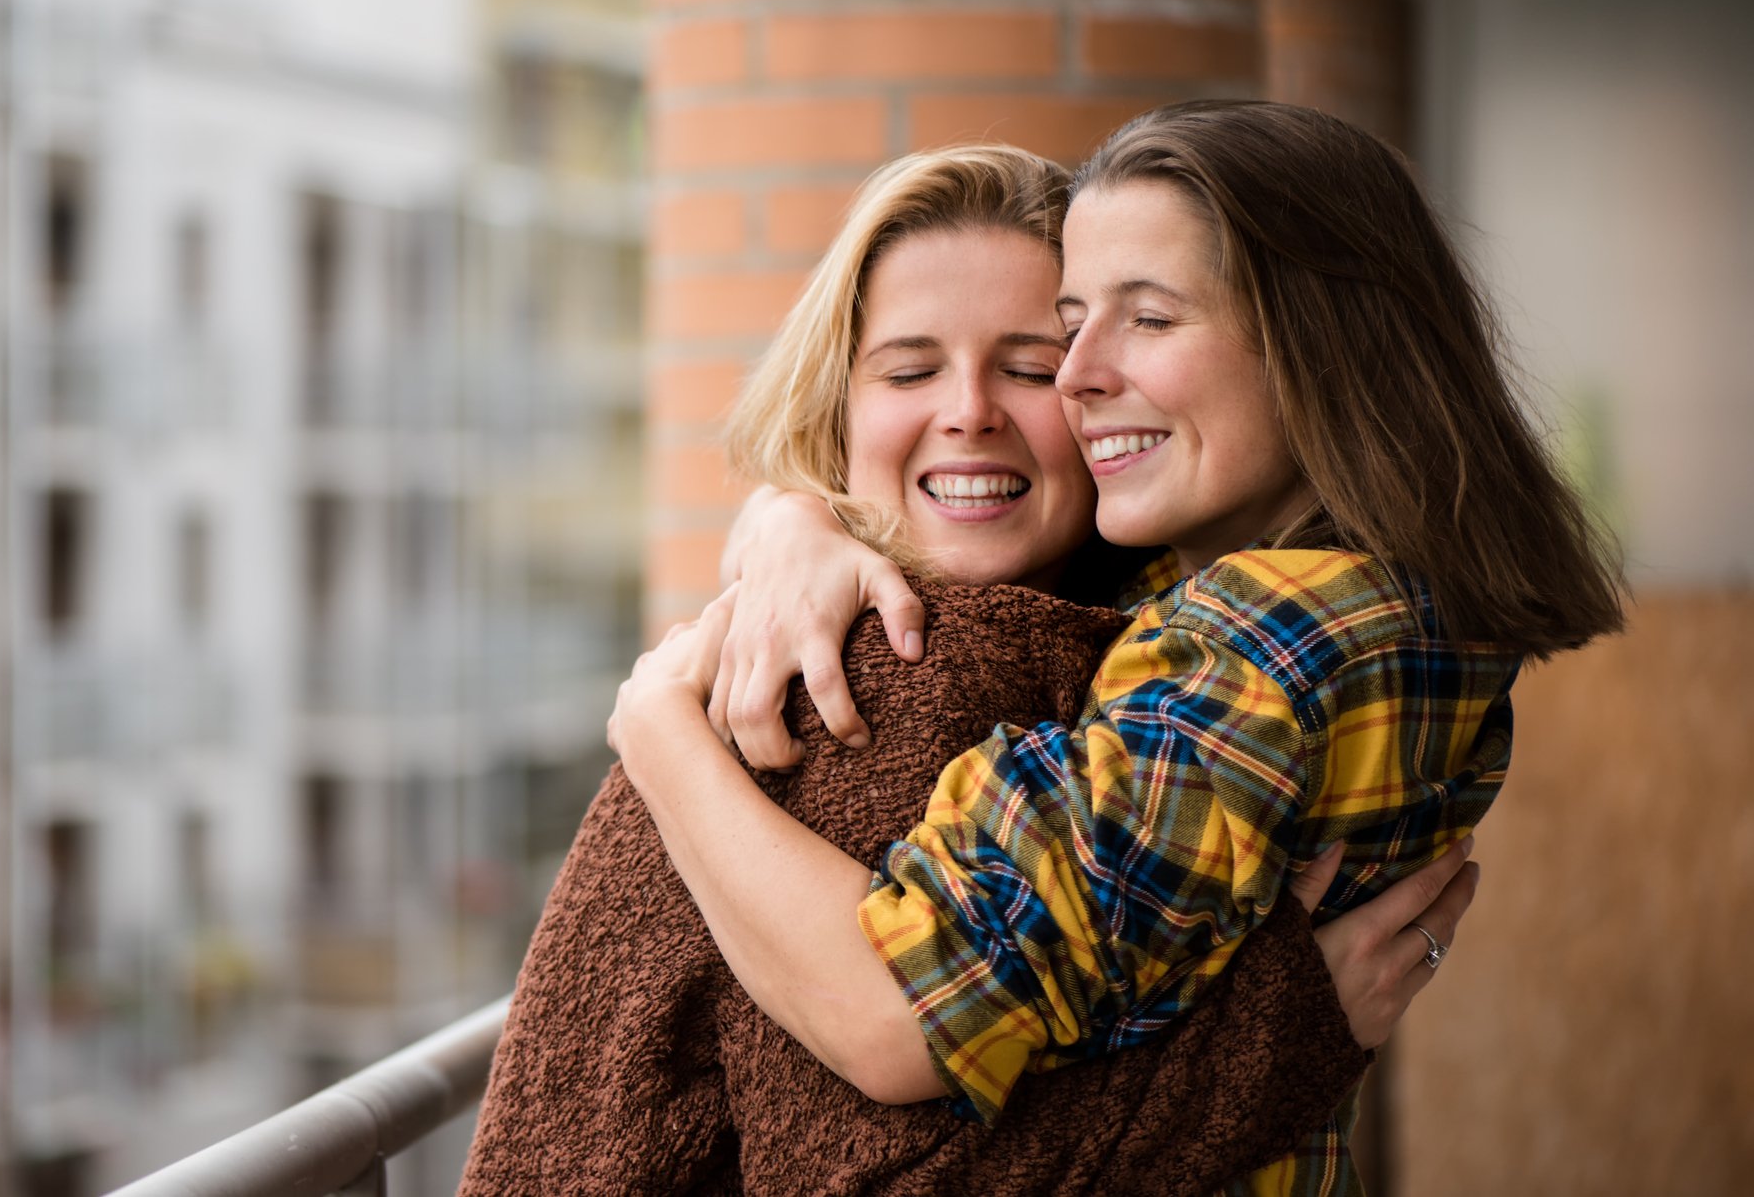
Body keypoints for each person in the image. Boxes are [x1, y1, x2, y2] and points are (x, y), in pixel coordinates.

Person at [609, 104, 1624, 1195]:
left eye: (1144, 319)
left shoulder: (1264, 643)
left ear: (1318, 344)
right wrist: (786, 521)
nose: (1081, 375)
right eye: (1075, 324)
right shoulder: (1306, 592)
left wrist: (658, 734)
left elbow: (895, 1017)